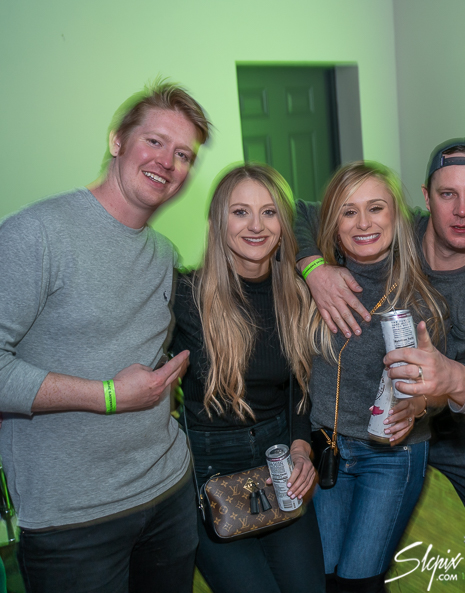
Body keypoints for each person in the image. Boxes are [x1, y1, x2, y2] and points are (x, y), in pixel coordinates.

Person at [0, 80, 210, 592]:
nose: (167, 162)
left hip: (167, 492)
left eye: (183, 154)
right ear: (117, 140)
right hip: (72, 521)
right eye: (155, 141)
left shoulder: (162, 254)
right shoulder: (36, 234)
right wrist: (109, 395)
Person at [293, 140, 465, 592]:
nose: (461, 210)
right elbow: (297, 211)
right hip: (370, 429)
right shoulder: (391, 227)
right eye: (447, 194)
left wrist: (441, 391)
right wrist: (313, 267)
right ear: (425, 199)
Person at [170, 164, 324, 593]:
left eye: (269, 212)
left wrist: (300, 448)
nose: (256, 226)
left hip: (280, 468)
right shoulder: (185, 296)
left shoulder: (298, 294)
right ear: (217, 222)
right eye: (240, 212)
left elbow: (300, 388)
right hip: (209, 474)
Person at [308, 161, 447, 592]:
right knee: (324, 576)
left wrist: (420, 403)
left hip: (391, 455)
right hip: (326, 449)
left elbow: (443, 390)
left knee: (359, 581)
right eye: (348, 212)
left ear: (396, 217)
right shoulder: (316, 286)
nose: (363, 223)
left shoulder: (421, 296)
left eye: (376, 208)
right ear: (333, 225)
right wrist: (310, 268)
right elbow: (287, 212)